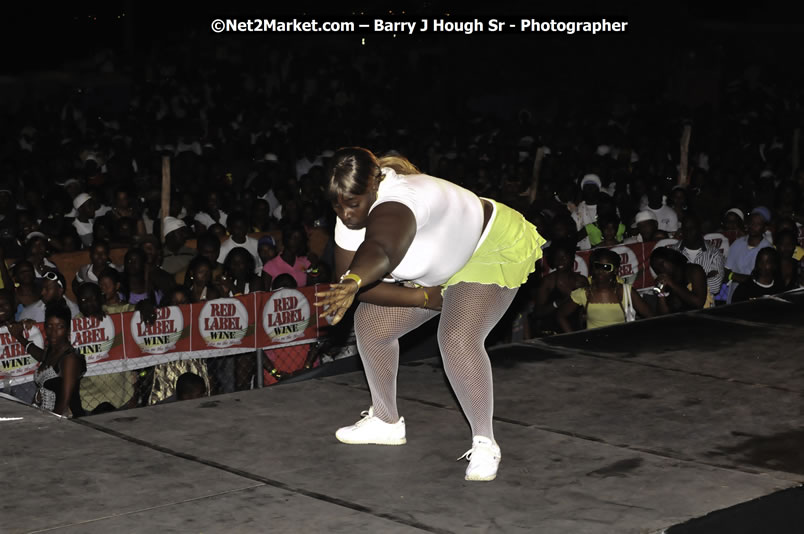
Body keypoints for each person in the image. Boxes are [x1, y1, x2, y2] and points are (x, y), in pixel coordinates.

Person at [315, 148, 545, 482]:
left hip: (486, 247)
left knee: (456, 338)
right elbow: (359, 288)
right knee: (370, 322)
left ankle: (485, 442)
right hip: (439, 269)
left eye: (352, 204)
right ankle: (385, 421)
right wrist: (420, 297)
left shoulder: (402, 199)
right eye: (337, 205)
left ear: (374, 190)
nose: (346, 215)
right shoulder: (348, 217)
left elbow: (381, 248)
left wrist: (353, 278)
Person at [7, 302, 86, 417]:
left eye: (60, 327)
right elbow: (40, 355)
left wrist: (51, 425)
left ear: (68, 329)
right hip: (49, 418)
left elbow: (64, 401)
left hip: (68, 422)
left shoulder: (70, 359)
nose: (53, 332)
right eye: (49, 326)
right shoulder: (52, 351)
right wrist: (19, 337)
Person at [556, 248, 653, 331]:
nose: (601, 271)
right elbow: (560, 315)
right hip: (595, 347)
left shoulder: (627, 291)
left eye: (607, 267)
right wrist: (574, 338)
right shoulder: (584, 293)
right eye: (598, 266)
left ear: (615, 270)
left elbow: (651, 317)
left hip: (622, 345)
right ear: (593, 268)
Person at [669, 213, 725, 297]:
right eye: (685, 228)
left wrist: (684, 281)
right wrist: (704, 278)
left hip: (706, 307)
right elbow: (670, 283)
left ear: (699, 229)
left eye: (692, 228)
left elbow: (715, 287)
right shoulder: (673, 252)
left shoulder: (714, 253)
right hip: (680, 307)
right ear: (681, 230)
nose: (688, 232)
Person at [724, 211, 773, 303]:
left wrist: (734, 276)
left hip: (755, 299)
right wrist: (734, 276)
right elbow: (726, 271)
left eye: (757, 224)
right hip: (734, 297)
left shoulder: (767, 250)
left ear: (764, 228)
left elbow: (759, 280)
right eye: (751, 223)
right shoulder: (737, 243)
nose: (753, 226)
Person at [649, 247, 711, 314]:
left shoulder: (694, 270)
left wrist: (671, 283)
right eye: (656, 269)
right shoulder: (663, 282)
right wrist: (661, 292)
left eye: (662, 264)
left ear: (670, 258)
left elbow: (698, 302)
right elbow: (662, 314)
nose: (660, 270)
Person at [262, 223, 312, 289]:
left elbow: (315, 280)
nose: (296, 242)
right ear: (285, 239)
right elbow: (264, 295)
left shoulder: (305, 261)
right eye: (293, 238)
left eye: (299, 239)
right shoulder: (270, 266)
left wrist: (314, 265)